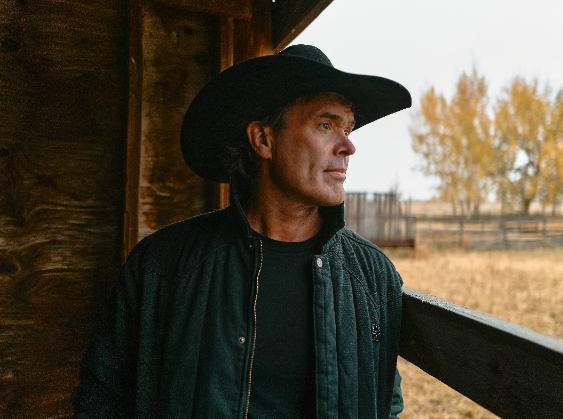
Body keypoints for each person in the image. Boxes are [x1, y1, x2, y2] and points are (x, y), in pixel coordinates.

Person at [72, 44, 412, 418]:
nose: (348, 146)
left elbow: (386, 404)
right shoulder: (163, 264)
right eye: (326, 125)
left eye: (347, 128)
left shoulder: (372, 276)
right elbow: (101, 395)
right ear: (263, 140)